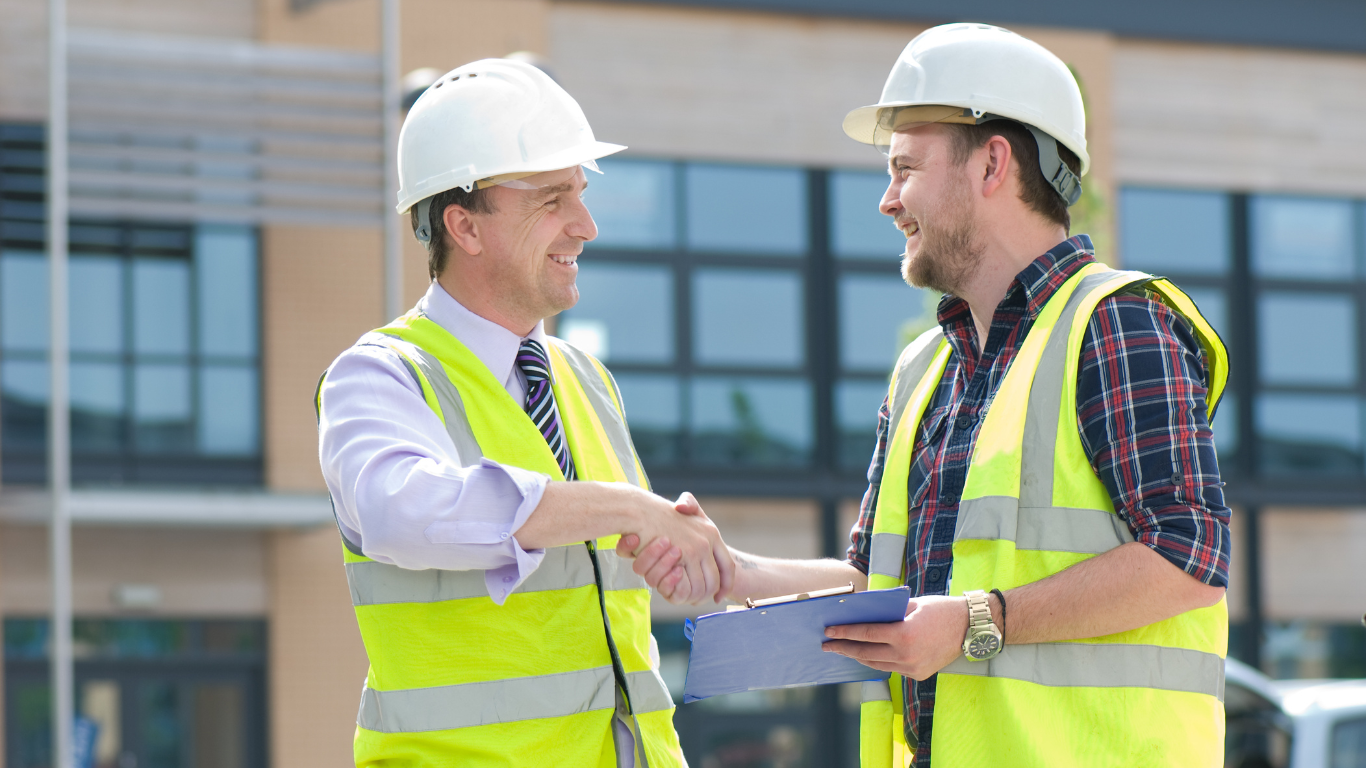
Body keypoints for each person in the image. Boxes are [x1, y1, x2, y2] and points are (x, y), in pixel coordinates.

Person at [621, 23, 1231, 768]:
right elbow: (883, 586)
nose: (887, 201)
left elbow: (1188, 556)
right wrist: (733, 571)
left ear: (992, 164)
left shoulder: (1115, 323)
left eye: (905, 168)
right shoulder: (924, 370)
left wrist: (979, 620)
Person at [316, 57, 732, 767]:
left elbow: (625, 573)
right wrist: (627, 506)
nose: (587, 225)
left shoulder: (583, 377)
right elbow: (400, 512)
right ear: (465, 227)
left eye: (581, 194)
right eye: (551, 200)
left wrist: (868, 589)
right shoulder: (380, 376)